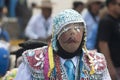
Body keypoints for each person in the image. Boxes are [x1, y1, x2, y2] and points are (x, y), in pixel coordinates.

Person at [15, 9, 111, 80]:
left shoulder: (97, 62)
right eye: (66, 28)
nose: (72, 33)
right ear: (56, 34)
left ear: (84, 33)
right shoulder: (34, 60)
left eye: (77, 28)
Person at [96, 0, 120, 80]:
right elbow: (103, 44)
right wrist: (110, 67)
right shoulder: (106, 22)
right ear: (111, 5)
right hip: (114, 65)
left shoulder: (117, 20)